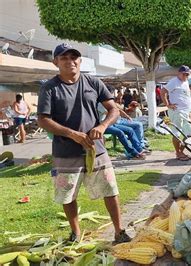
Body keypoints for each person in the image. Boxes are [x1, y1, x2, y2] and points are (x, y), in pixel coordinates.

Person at [37, 43, 131, 243]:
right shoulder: (49, 88)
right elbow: (43, 119)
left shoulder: (93, 82)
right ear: (56, 62)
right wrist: (72, 134)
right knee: (67, 194)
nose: (70, 61)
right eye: (64, 58)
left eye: (74, 57)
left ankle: (119, 231)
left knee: (110, 189)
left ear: (80, 61)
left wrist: (103, 126)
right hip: (65, 151)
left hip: (96, 149)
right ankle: (76, 233)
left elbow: (113, 109)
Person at [162, 65, 191, 161]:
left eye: (187, 74)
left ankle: (181, 151)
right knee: (177, 133)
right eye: (184, 74)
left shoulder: (186, 82)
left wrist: (189, 112)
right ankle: (178, 152)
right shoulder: (174, 82)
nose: (186, 76)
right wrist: (168, 104)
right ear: (179, 73)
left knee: (190, 134)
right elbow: (163, 91)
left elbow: (186, 97)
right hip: (177, 111)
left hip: (185, 112)